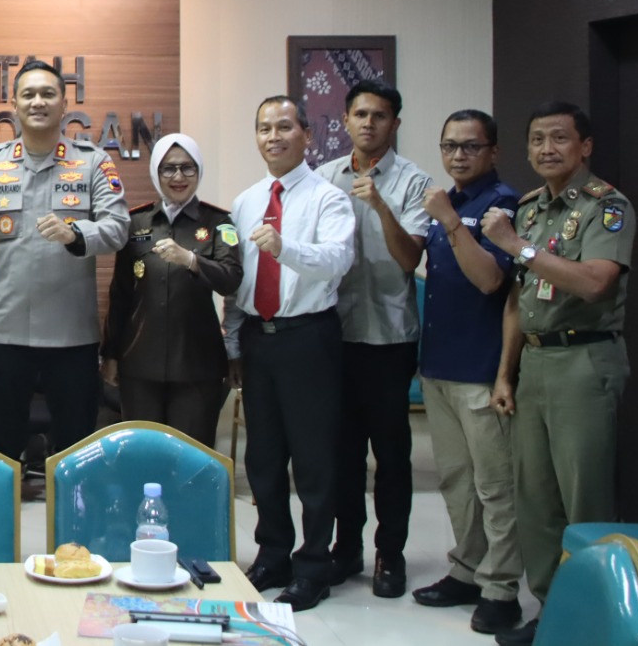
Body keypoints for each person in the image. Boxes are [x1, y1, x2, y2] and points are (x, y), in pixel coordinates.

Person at [480, 102, 634, 646]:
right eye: (538, 139)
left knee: (584, 499)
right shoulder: (528, 209)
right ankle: (552, 613)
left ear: (584, 147)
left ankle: (596, 621)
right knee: (536, 501)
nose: (547, 148)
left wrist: (515, 246)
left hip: (584, 362)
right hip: (536, 362)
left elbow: (595, 282)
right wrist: (505, 373)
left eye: (560, 138)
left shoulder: (606, 206)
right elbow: (518, 299)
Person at [0, 60, 129, 465]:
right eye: (29, 94)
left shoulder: (93, 162)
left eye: (48, 93)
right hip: (3, 335)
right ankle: (5, 508)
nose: (38, 101)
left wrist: (76, 234)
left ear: (64, 104)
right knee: (2, 450)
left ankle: (71, 509)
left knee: (75, 451)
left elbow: (118, 228)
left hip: (71, 337)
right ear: (14, 104)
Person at [224, 95, 355, 612]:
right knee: (263, 456)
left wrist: (285, 247)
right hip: (259, 338)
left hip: (309, 337)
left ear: (307, 134)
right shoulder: (246, 201)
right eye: (264, 128)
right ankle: (273, 554)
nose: (273, 137)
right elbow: (238, 279)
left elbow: (337, 260)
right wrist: (234, 340)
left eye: (284, 127)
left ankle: (314, 564)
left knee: (315, 458)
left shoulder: (327, 198)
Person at [315, 80, 431, 598]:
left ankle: (391, 553)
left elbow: (410, 258)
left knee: (391, 454)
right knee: (341, 453)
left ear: (395, 124)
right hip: (334, 336)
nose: (368, 123)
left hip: (388, 338)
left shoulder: (413, 181)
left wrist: (381, 206)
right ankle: (346, 549)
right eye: (360, 114)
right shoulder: (323, 178)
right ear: (345, 120)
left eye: (379, 116)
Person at [412, 110, 523, 634]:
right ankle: (467, 570)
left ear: (493, 151)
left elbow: (490, 281)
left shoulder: (503, 204)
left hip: (481, 368)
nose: (458, 156)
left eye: (470, 146)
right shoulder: (448, 203)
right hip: (439, 364)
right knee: (457, 480)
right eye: (450, 146)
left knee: (495, 486)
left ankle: (502, 588)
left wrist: (452, 224)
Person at [101, 133, 242, 448]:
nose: (178, 176)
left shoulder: (220, 222)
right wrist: (109, 354)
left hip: (197, 364)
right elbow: (120, 294)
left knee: (191, 456)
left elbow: (231, 278)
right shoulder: (135, 222)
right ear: (156, 172)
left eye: (188, 168)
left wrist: (191, 260)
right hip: (140, 362)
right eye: (168, 168)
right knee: (143, 453)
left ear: (199, 171)